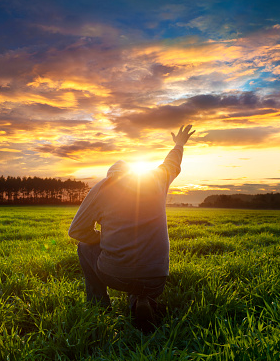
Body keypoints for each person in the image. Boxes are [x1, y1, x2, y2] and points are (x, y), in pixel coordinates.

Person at [68, 125, 195, 331]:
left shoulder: (103, 187)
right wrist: (179, 144)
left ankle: (98, 306)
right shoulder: (156, 179)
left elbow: (76, 231)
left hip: (116, 274)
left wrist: (104, 238)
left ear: (111, 174)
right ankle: (141, 302)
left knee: (84, 247)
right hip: (156, 277)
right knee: (139, 276)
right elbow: (171, 163)